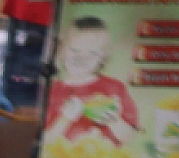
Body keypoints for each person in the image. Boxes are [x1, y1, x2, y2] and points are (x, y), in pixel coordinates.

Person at [45, 17, 141, 147]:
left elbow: (127, 137)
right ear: (61, 50)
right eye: (74, 50)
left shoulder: (114, 88)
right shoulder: (51, 91)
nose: (81, 58)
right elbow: (44, 142)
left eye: (92, 53)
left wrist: (114, 121)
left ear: (103, 58)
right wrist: (64, 119)